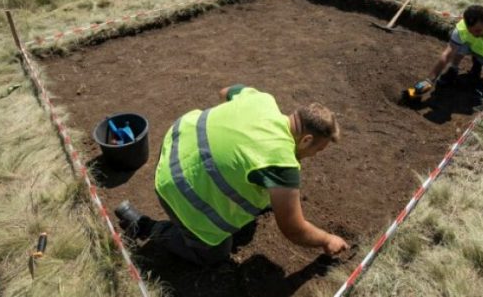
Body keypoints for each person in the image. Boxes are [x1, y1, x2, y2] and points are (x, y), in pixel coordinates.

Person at [115, 85, 349, 265]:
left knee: (255, 182)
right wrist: (327, 239)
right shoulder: (282, 163)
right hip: (176, 190)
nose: (315, 155)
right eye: (318, 149)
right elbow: (293, 229)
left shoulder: (262, 99)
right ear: (306, 140)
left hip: (172, 150)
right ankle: (146, 228)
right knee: (215, 253)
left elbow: (225, 91)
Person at [414, 5, 483, 93]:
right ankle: (453, 69)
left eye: (478, 30)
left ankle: (478, 62)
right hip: (472, 47)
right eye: (470, 31)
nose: (474, 34)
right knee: (458, 45)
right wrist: (429, 80)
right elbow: (447, 53)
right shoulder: (461, 29)